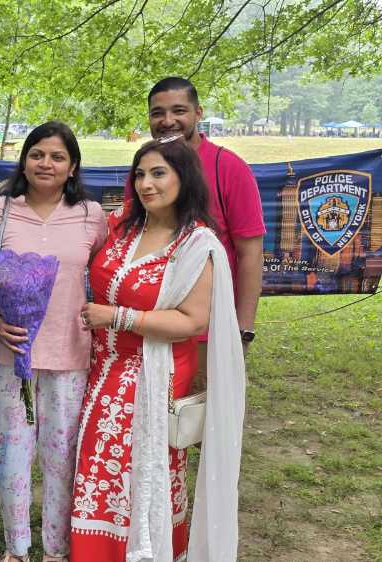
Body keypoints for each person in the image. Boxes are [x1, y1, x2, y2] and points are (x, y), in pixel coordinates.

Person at [71, 137, 246, 561]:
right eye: (140, 174)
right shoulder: (123, 226)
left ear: (184, 178)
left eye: (158, 173)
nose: (146, 184)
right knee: (99, 469)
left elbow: (193, 321)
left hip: (154, 372)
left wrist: (118, 317)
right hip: (102, 368)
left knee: (145, 472)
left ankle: (146, 551)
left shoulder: (197, 244)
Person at [0, 122, 106, 562]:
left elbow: (104, 276)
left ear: (73, 167)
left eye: (57, 157)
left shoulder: (91, 216)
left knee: (62, 457)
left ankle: (57, 550)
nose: (46, 163)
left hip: (71, 354)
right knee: (11, 456)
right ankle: (17, 548)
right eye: (37, 154)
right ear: (24, 161)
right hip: (9, 356)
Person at [133, 76, 265, 365]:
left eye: (179, 111)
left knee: (204, 397)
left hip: (209, 333)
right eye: (158, 113)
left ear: (198, 113)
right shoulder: (144, 172)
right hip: (146, 330)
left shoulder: (229, 167)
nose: (168, 121)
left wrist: (243, 331)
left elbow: (251, 254)